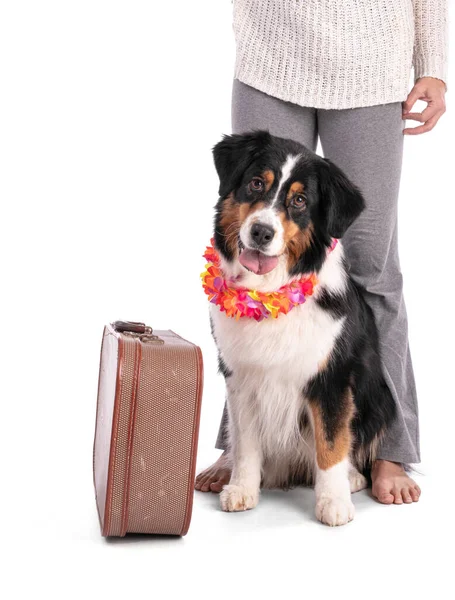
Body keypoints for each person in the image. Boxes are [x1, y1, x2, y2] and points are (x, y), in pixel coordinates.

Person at [196, 0, 448, 504]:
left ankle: (390, 449)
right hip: (270, 50)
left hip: (373, 61)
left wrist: (434, 65)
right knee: (246, 265)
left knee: (372, 269)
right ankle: (243, 447)